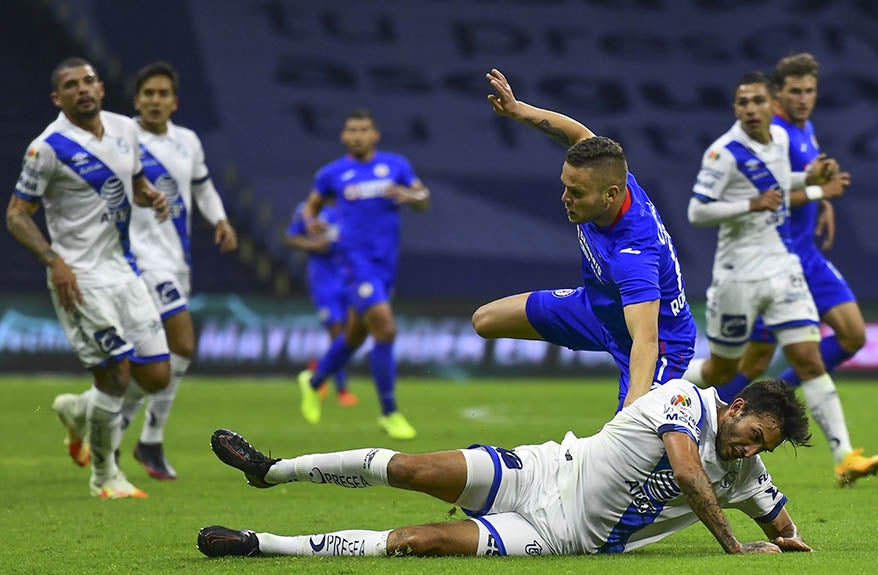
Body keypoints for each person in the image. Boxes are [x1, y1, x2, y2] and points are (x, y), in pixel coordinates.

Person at [197, 377, 813, 558]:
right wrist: (734, 547)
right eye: (753, 436)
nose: (752, 452)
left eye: (765, 448)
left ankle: (259, 545)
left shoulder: (746, 472)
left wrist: (784, 538)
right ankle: (271, 470)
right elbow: (684, 471)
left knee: (417, 541)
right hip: (544, 472)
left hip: (556, 536)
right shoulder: (684, 399)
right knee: (411, 468)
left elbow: (782, 524)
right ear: (733, 409)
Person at [682, 71, 878, 486]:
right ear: (736, 107)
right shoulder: (724, 153)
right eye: (742, 103)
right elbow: (698, 212)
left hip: (782, 268)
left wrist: (809, 181)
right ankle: (659, 394)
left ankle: (845, 456)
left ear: (772, 106)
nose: (750, 110)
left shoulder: (784, 141)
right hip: (738, 277)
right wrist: (750, 204)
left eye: (757, 101)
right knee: (722, 370)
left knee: (808, 358)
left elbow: (777, 182)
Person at [472, 69, 696, 411]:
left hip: (656, 341)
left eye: (575, 192)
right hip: (596, 309)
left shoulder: (634, 254)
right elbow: (578, 133)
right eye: (565, 185)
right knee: (484, 321)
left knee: (629, 448)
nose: (564, 197)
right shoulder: (609, 174)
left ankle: (696, 404)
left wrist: (634, 409)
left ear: (610, 195)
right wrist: (519, 110)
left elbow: (647, 341)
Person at [6, 57, 170, 499]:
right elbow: (17, 215)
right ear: (57, 98)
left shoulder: (124, 130)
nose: (83, 89)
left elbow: (133, 181)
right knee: (115, 376)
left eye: (90, 81)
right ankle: (104, 475)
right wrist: (52, 260)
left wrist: (150, 195)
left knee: (156, 374)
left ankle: (80, 411)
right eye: (72, 85)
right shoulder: (48, 148)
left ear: (101, 88)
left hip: (123, 269)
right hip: (78, 277)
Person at [113, 61, 238, 481]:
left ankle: (116, 426)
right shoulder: (120, 137)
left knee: (153, 362)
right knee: (182, 343)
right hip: (138, 257)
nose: (155, 100)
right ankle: (144, 436)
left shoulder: (188, 141)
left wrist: (219, 219)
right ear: (136, 100)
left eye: (163, 93)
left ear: (174, 101)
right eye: (148, 93)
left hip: (176, 259)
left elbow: (202, 186)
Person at [296, 108, 430, 439]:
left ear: (375, 135)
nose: (357, 135)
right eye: (351, 129)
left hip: (385, 263)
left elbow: (424, 198)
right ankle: (389, 412)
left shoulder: (395, 165)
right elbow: (311, 205)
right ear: (344, 136)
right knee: (384, 328)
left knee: (355, 335)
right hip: (354, 262)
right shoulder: (332, 173)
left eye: (363, 129)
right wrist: (311, 220)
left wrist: (410, 195)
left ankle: (313, 381)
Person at [284, 198, 356, 406]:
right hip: (323, 280)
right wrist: (313, 245)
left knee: (349, 333)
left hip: (347, 276)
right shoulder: (308, 210)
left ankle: (319, 371)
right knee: (337, 332)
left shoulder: (350, 207)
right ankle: (341, 390)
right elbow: (290, 237)